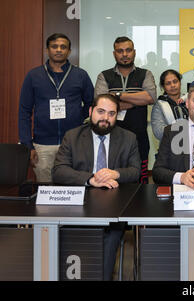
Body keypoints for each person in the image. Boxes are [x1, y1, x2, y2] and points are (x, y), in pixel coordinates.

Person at [52, 94, 140, 280]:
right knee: (68, 233)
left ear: (117, 116)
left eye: (111, 113)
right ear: (91, 111)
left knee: (109, 236)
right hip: (78, 206)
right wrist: (90, 179)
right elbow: (59, 171)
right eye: (101, 112)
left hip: (113, 207)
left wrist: (116, 173)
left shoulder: (128, 138)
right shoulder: (73, 136)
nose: (105, 118)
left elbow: (135, 171)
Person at [18, 33, 94, 182]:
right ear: (47, 50)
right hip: (43, 145)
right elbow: (24, 112)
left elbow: (91, 103)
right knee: (46, 192)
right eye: (54, 46)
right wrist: (28, 145)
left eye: (63, 47)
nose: (59, 50)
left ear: (69, 51)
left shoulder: (80, 75)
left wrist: (78, 117)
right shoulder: (34, 76)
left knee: (73, 189)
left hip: (74, 144)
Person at [94, 36, 157, 183]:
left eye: (128, 50)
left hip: (139, 137)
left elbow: (151, 97)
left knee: (141, 179)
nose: (124, 54)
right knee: (111, 178)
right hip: (110, 138)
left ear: (134, 52)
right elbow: (101, 103)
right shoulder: (104, 76)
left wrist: (117, 95)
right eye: (120, 51)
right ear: (114, 53)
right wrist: (136, 101)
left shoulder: (145, 74)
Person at [151, 70, 188, 141]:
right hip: (170, 148)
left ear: (180, 82)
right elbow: (159, 132)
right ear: (163, 87)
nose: (172, 85)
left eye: (175, 81)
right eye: (168, 83)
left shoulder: (190, 99)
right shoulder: (159, 105)